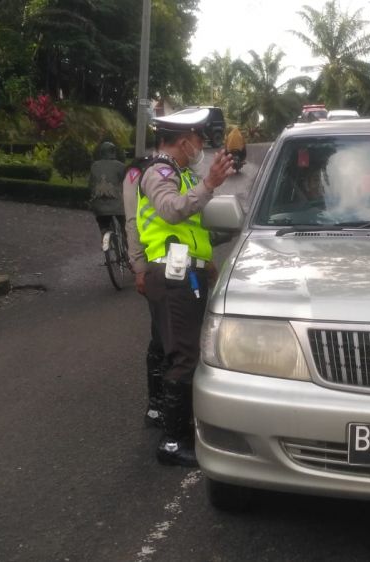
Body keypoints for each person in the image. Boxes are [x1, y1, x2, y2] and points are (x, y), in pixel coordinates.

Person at [136, 108, 235, 466]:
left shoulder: (179, 173)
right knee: (184, 357)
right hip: (172, 276)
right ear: (184, 140)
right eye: (198, 139)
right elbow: (170, 211)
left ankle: (166, 419)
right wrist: (209, 184)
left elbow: (189, 228)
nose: (201, 146)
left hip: (182, 272)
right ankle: (173, 443)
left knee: (171, 349)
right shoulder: (160, 171)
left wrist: (206, 260)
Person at [123, 158, 166, 429]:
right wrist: (138, 266)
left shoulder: (178, 168)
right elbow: (131, 221)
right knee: (161, 337)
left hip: (180, 268)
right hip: (156, 267)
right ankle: (156, 406)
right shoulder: (137, 172)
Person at [88, 142, 127, 235]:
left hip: (98, 207)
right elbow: (127, 184)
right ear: (114, 152)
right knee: (125, 228)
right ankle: (126, 243)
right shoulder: (120, 166)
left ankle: (104, 235)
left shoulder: (94, 166)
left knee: (103, 225)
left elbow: (90, 185)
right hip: (119, 208)